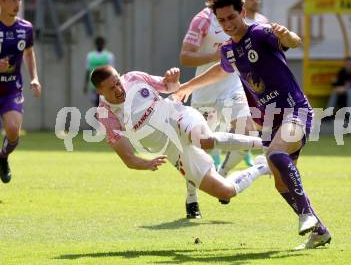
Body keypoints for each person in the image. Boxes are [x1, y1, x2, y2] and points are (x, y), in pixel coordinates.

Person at [176, 0, 331, 250]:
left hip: (295, 110)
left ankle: (308, 216)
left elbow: (292, 41)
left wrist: (288, 36)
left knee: (275, 155)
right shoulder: (228, 49)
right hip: (269, 121)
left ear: (243, 13)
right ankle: (320, 232)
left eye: (231, 17)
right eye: (222, 20)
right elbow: (220, 70)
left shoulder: (260, 33)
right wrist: (188, 86)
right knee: (280, 183)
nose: (227, 24)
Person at [92, 65, 269, 210]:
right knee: (225, 191)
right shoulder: (105, 114)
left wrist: (173, 81)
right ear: (101, 92)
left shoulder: (133, 78)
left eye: (117, 82)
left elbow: (170, 88)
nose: (119, 89)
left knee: (204, 140)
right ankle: (262, 167)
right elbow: (128, 158)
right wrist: (147, 164)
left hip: (177, 116)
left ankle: (267, 143)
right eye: (111, 88)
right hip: (172, 149)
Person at [180, 0, 255, 218]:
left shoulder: (238, 17)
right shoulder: (202, 19)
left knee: (247, 132)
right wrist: (216, 55)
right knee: (194, 150)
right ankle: (192, 198)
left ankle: (221, 177)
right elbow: (185, 56)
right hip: (205, 93)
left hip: (232, 88)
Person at [0, 0, 41, 183]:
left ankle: (3, 156)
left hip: (11, 89)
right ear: (1, 2)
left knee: (14, 130)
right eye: (12, 0)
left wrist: (34, 77)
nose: (17, 4)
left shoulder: (26, 28)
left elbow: (29, 53)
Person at [84, 36, 115, 107]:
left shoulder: (109, 56)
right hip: (94, 84)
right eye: (98, 43)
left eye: (101, 43)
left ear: (103, 44)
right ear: (96, 44)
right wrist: (85, 85)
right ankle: (98, 117)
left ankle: (102, 117)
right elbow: (87, 70)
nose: (100, 45)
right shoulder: (90, 56)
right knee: (96, 102)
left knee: (103, 102)